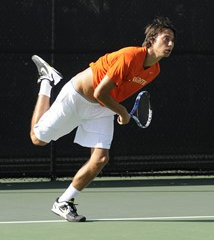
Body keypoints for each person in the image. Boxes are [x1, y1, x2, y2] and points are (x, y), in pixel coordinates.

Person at [30, 15, 176, 222]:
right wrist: (123, 113)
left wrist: (117, 110)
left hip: (102, 108)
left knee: (100, 159)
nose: (170, 44)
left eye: (172, 40)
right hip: (78, 96)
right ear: (152, 40)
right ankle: (47, 79)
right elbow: (100, 92)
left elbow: (114, 94)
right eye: (166, 39)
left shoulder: (155, 70)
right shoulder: (129, 56)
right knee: (37, 139)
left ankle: (64, 201)